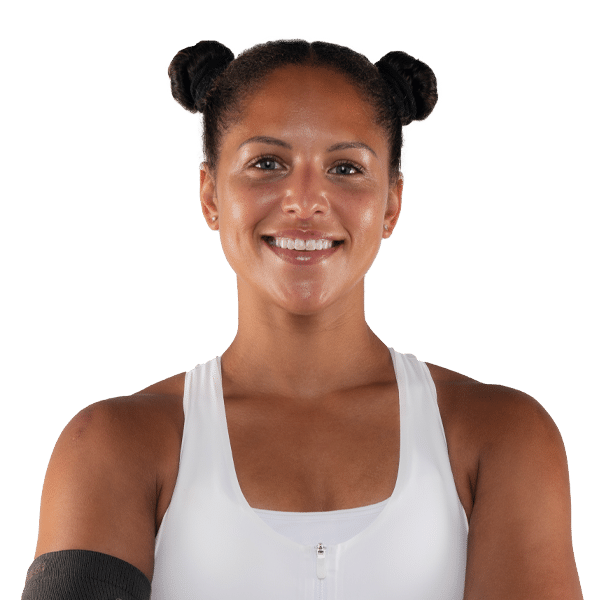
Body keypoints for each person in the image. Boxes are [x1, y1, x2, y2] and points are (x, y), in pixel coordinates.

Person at [21, 37, 583, 600]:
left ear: (391, 203)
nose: (305, 201)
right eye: (267, 163)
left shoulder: (500, 436)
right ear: (210, 193)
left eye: (345, 167)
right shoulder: (113, 446)